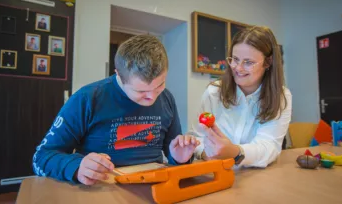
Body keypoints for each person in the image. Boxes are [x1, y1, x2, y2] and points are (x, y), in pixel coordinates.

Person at [32, 35, 199, 185]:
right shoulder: (88, 98)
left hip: (153, 187)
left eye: (160, 85)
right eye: (140, 91)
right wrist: (77, 167)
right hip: (102, 187)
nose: (152, 97)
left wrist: (180, 159)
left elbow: (172, 157)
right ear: (118, 75)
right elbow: (41, 158)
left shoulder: (167, 98)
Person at [188, 26, 292, 168]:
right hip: (218, 173)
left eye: (248, 62)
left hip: (257, 177)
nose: (238, 68)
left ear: (268, 62)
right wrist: (207, 153)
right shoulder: (214, 92)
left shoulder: (280, 96)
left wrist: (235, 152)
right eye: (235, 59)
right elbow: (195, 137)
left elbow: (270, 146)